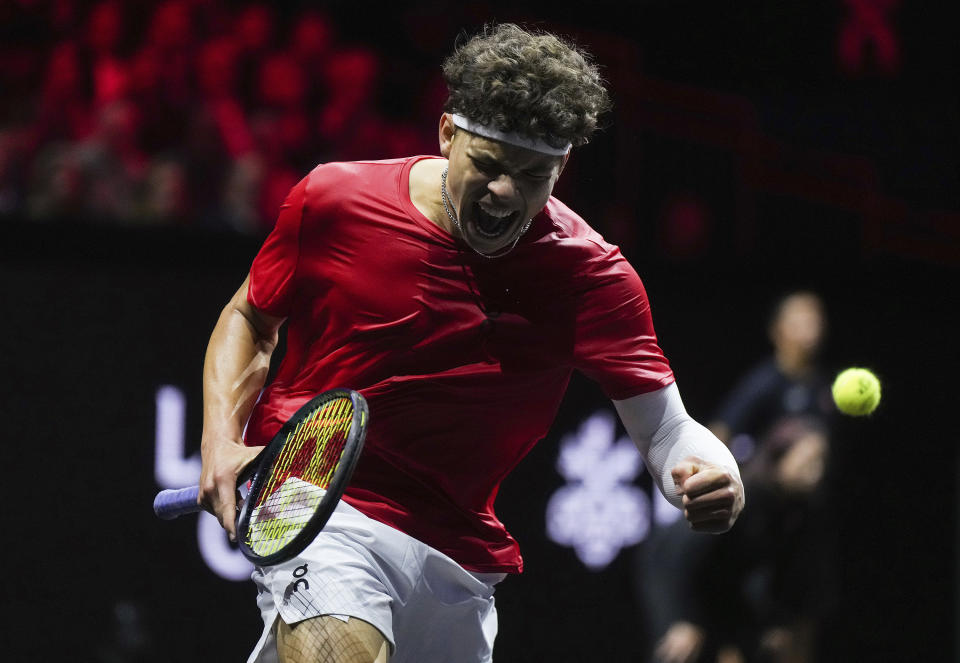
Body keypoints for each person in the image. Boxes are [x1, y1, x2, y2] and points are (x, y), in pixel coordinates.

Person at [197, 24, 745, 663]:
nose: (506, 192)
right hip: (321, 504)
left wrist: (716, 474)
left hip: (456, 554)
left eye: (533, 174)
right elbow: (251, 318)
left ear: (562, 167)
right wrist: (219, 441)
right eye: (488, 165)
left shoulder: (592, 277)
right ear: (446, 135)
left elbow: (666, 432)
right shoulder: (336, 199)